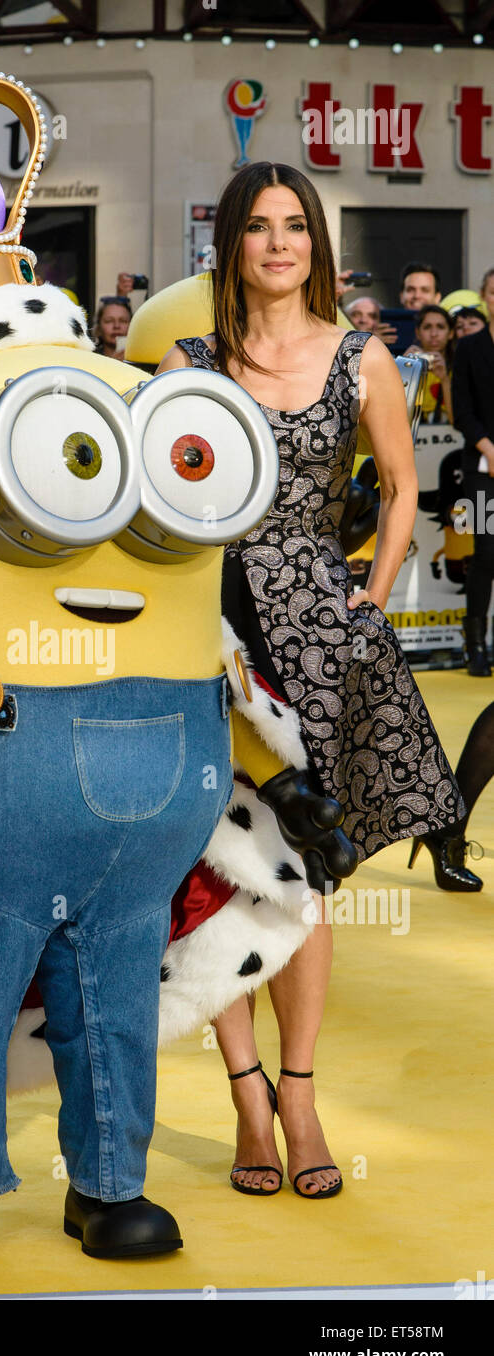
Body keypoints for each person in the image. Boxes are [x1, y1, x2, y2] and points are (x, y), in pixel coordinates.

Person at [157, 161, 473, 1201]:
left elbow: (398, 490)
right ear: (232, 244)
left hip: (314, 630)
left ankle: (299, 1091)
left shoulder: (363, 357)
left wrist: (372, 601)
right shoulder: (187, 361)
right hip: (205, 629)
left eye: (297, 227)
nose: (280, 243)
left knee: (303, 873)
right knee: (212, 870)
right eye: (260, 226)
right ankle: (245, 1094)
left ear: (317, 246)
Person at [451, 266, 494, 679]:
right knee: (486, 552)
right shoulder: (469, 348)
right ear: (485, 297)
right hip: (481, 466)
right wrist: (487, 447)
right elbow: (460, 411)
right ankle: (475, 643)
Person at [404, 304, 455, 424]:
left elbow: (457, 421)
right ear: (418, 333)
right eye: (427, 327)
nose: (433, 334)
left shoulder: (461, 367)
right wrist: (402, 371)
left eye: (440, 327)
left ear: (451, 333)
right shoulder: (407, 364)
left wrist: (445, 379)